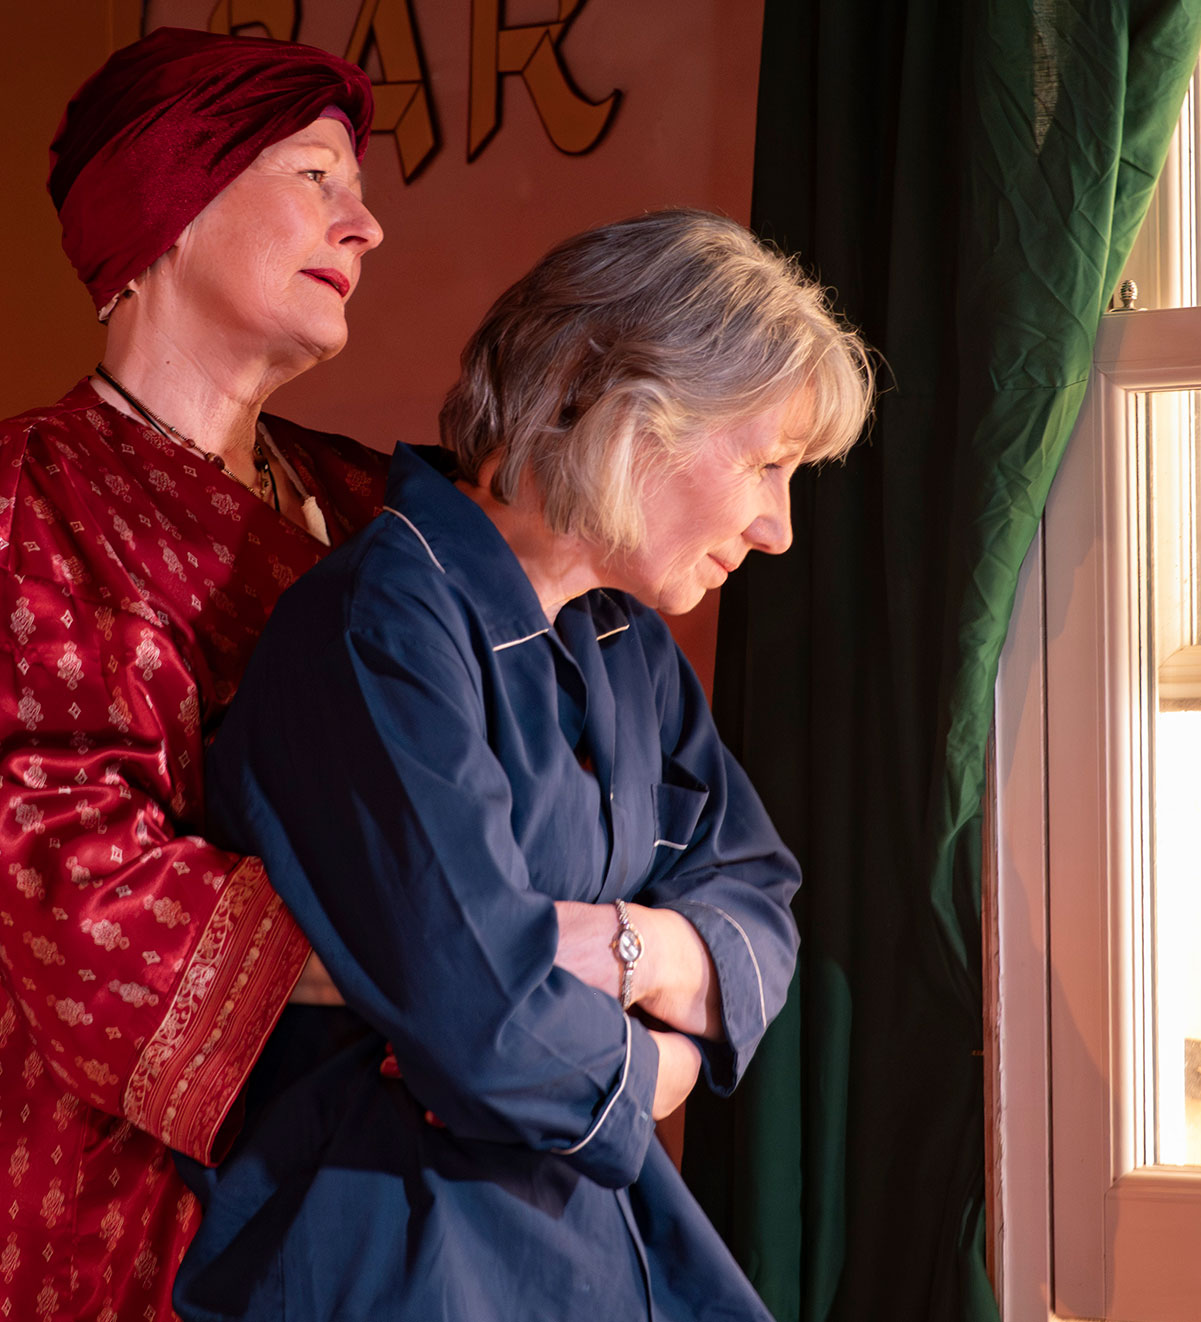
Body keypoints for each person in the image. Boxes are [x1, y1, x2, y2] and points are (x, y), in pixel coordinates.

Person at [172, 209, 874, 1320]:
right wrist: (663, 1071)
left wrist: (623, 944)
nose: (778, 525)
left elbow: (761, 906)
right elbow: (487, 1024)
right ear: (625, 405)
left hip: (587, 1238)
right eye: (769, 464)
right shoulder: (375, 627)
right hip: (399, 1254)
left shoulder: (625, 641)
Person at [0, 27, 388, 1321]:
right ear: (169, 208)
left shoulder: (369, 498)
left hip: (375, 1172)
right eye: (315, 176)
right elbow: (78, 871)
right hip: (118, 1199)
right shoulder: (39, 491)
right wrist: (440, 966)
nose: (366, 225)